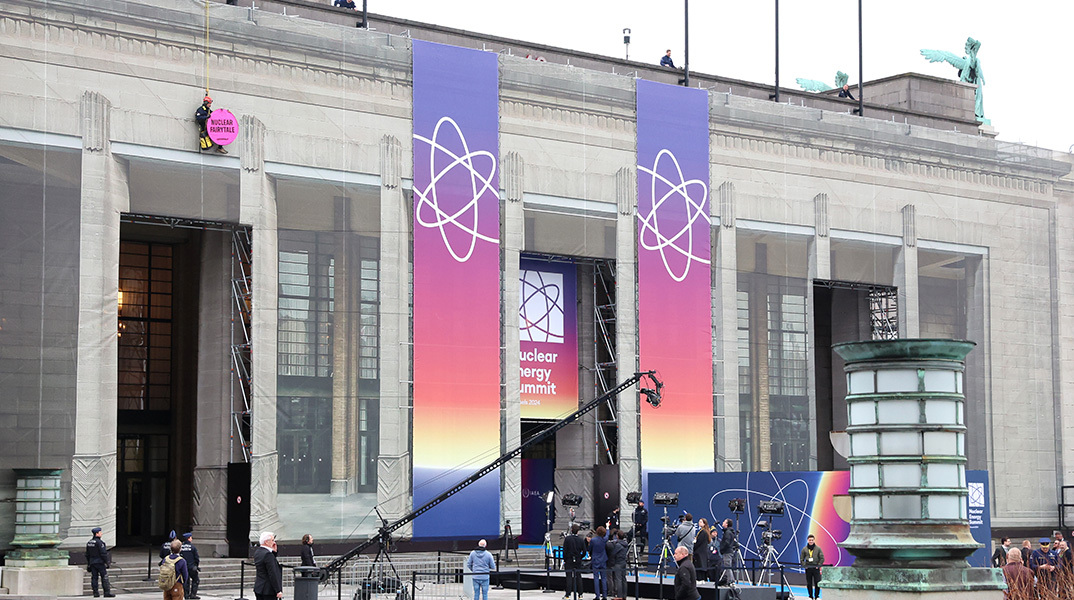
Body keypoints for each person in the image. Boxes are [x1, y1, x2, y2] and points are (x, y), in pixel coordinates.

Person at [85, 527, 115, 598]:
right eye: (100, 532)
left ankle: (95, 593)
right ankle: (107, 592)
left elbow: (87, 554)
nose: (101, 533)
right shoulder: (100, 543)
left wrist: (89, 563)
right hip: (100, 562)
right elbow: (103, 553)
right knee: (104, 577)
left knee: (94, 578)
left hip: (92, 562)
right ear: (97, 533)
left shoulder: (89, 542)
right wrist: (107, 562)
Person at [254, 531, 284, 600]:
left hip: (259, 587)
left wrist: (274, 552)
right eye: (272, 540)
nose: (274, 542)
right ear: (266, 542)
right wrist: (278, 590)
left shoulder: (258, 552)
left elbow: (268, 562)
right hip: (268, 590)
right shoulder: (268, 555)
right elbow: (272, 573)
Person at [562, 524, 587, 600]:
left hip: (569, 559)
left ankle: (567, 595)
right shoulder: (581, 539)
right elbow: (584, 551)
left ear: (571, 530)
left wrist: (565, 559)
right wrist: (580, 557)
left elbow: (564, 551)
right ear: (578, 531)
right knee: (578, 577)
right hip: (578, 560)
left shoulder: (567, 539)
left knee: (569, 577)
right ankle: (580, 595)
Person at [800, 534, 825, 600]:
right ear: (808, 540)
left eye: (812, 540)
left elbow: (822, 558)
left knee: (817, 582)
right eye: (810, 540)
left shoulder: (818, 548)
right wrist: (804, 565)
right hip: (808, 568)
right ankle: (810, 596)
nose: (811, 541)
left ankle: (817, 596)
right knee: (809, 583)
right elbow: (801, 559)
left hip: (816, 568)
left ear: (814, 540)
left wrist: (818, 565)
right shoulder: (804, 549)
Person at [589, 526, 610, 600]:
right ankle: (604, 595)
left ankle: (597, 595)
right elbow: (607, 535)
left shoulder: (593, 540)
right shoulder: (604, 540)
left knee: (596, 578)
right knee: (604, 578)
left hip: (595, 560)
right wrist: (607, 527)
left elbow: (590, 549)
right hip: (603, 559)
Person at [607, 530, 628, 600]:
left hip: (618, 563)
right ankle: (624, 595)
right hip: (624, 562)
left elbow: (613, 553)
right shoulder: (626, 544)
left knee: (618, 579)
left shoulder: (618, 545)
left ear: (617, 536)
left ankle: (619, 596)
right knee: (624, 579)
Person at [180, 532, 201, 599]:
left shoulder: (181, 547)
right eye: (191, 537)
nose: (191, 539)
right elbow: (196, 558)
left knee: (186, 581)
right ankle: (193, 594)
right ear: (188, 538)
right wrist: (196, 565)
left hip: (183, 568)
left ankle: (186, 595)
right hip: (192, 567)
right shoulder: (192, 547)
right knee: (196, 580)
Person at [717, 518, 737, 585]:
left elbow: (727, 542)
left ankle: (731, 581)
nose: (722, 522)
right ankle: (726, 580)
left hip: (727, 552)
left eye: (724, 522)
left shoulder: (728, 533)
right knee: (727, 566)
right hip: (728, 551)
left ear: (727, 524)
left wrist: (722, 549)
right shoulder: (729, 532)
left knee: (728, 567)